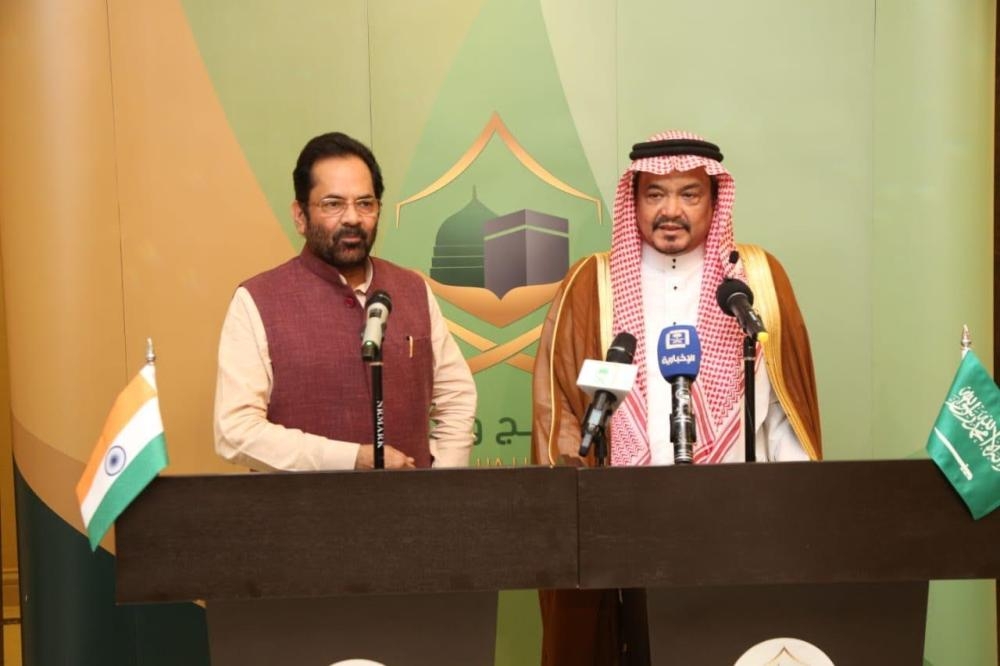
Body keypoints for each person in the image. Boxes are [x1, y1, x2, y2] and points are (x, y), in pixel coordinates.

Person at [530, 130, 823, 665]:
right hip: (620, 528)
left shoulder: (755, 281)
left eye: (689, 194)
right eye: (655, 194)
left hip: (735, 526)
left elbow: (785, 416)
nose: (671, 210)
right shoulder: (591, 283)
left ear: (714, 200)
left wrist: (792, 520)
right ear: (633, 200)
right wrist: (580, 517)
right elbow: (563, 416)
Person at [215, 132, 477, 471]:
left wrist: (442, 485)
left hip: (414, 516)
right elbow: (235, 431)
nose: (352, 218)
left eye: (365, 203)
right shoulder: (257, 300)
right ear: (300, 216)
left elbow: (456, 396)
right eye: (333, 204)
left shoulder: (412, 289)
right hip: (301, 519)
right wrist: (351, 459)